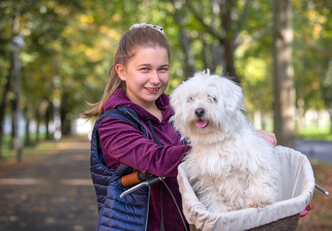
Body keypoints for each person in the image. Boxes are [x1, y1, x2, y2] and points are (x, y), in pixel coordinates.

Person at [82, 23, 277, 231]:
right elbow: (155, 160)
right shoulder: (113, 124)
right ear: (122, 71)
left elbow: (216, 130)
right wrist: (230, 145)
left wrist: (249, 139)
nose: (155, 79)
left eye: (162, 69)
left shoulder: (179, 108)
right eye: (144, 69)